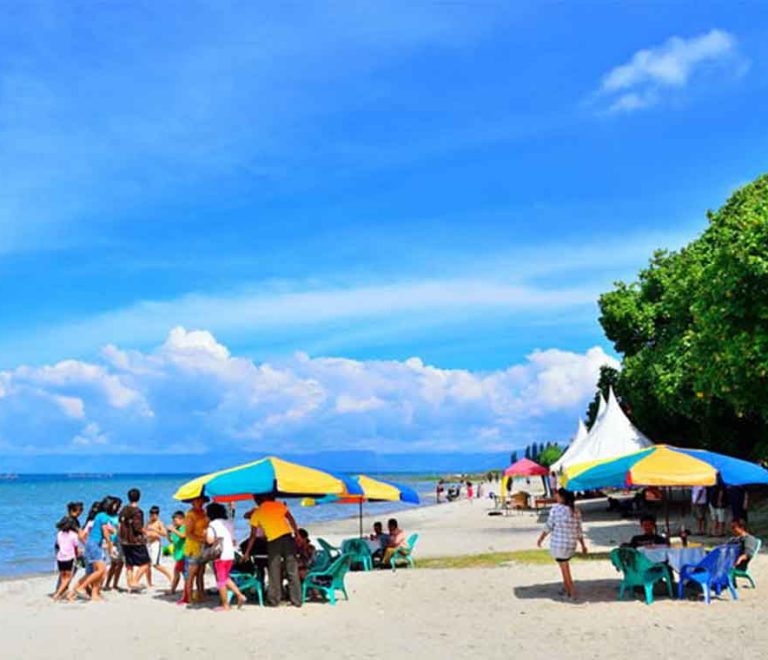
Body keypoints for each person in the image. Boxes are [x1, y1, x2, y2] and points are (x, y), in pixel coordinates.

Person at [243, 494, 302, 607]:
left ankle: (274, 600)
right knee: (292, 570)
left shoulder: (257, 513)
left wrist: (247, 553)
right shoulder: (279, 505)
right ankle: (297, 600)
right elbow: (291, 519)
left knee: (274, 571)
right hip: (288, 538)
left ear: (257, 500)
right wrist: (297, 534)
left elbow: (253, 536)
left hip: (274, 542)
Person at [536, 488, 587, 600]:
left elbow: (549, 526)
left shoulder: (556, 509)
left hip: (559, 546)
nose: (555, 496)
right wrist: (583, 545)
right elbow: (579, 530)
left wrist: (540, 539)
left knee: (565, 569)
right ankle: (566, 588)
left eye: (557, 495)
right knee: (564, 566)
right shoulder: (576, 510)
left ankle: (571, 593)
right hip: (571, 545)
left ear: (562, 497)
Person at [70, 496, 119, 601]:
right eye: (114, 504)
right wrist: (110, 546)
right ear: (109, 505)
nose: (115, 507)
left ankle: (86, 593)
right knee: (101, 570)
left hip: (91, 545)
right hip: (94, 545)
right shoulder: (103, 515)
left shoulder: (100, 515)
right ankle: (81, 587)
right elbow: (105, 533)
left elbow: (105, 530)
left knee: (94, 572)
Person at [205, 502, 245, 611]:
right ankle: (240, 595)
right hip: (230, 554)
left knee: (221, 581)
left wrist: (205, 533)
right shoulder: (228, 523)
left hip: (220, 555)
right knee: (225, 577)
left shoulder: (212, 524)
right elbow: (233, 539)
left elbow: (210, 540)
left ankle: (225, 605)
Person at [118, 488, 151, 591]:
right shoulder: (137, 511)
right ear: (139, 497)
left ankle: (130, 584)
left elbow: (120, 523)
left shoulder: (123, 510)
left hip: (124, 540)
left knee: (129, 564)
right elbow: (138, 527)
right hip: (136, 541)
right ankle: (134, 582)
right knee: (146, 563)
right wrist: (147, 532)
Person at [180, 496, 209, 605]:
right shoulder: (190, 515)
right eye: (197, 500)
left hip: (203, 546)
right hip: (193, 547)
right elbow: (188, 533)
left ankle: (201, 594)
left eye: (201, 500)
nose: (200, 503)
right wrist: (202, 539)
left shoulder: (204, 512)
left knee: (201, 572)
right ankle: (189, 597)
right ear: (192, 502)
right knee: (191, 574)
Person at [52, 517, 80, 601]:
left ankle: (66, 594)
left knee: (63, 577)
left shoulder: (59, 534)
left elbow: (58, 545)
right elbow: (76, 547)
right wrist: (78, 555)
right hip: (69, 557)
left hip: (60, 558)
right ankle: (57, 594)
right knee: (68, 578)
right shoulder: (73, 535)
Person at [146, 505, 173, 585]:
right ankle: (149, 583)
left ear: (157, 515)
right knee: (147, 564)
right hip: (148, 544)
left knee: (156, 564)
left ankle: (170, 577)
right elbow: (144, 531)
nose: (152, 516)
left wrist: (156, 530)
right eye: (151, 514)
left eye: (154, 514)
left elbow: (164, 534)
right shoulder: (148, 522)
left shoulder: (159, 523)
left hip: (155, 544)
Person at [166, 510, 187, 595]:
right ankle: (173, 589)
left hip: (184, 554)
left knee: (183, 574)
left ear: (182, 520)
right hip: (178, 555)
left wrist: (173, 530)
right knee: (177, 573)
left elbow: (183, 536)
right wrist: (168, 533)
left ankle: (183, 590)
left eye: (175, 520)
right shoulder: (177, 529)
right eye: (173, 521)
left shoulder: (184, 528)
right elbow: (171, 540)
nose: (174, 522)